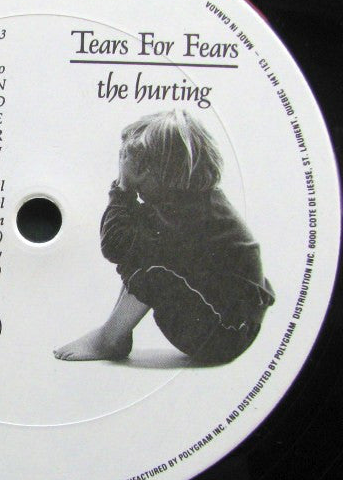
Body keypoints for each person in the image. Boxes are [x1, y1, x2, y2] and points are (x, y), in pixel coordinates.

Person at [54, 109, 274, 365]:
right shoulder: (195, 202)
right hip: (230, 325)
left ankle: (110, 339)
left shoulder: (189, 214)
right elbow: (123, 242)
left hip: (224, 335)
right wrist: (127, 190)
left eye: (140, 179)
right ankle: (115, 333)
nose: (138, 190)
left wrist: (123, 188)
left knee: (152, 268)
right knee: (140, 247)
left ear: (164, 171)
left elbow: (114, 246)